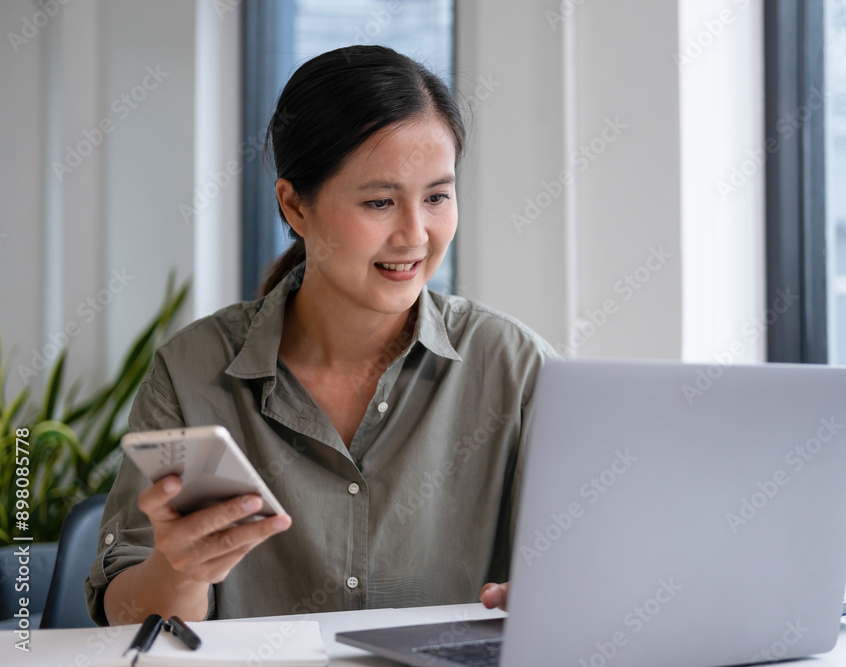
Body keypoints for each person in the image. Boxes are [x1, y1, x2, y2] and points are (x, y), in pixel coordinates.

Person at [85, 45, 557, 626]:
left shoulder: (516, 368)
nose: (415, 235)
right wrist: (179, 571)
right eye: (380, 201)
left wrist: (560, 602)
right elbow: (124, 621)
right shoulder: (192, 373)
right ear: (295, 206)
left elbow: (590, 569)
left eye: (437, 196)